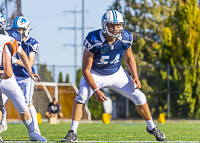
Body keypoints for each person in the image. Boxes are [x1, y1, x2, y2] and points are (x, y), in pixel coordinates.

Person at [61, 10, 167, 142]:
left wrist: (136, 76)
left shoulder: (126, 37)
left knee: (140, 97)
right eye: (111, 25)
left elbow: (129, 58)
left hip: (116, 73)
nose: (115, 29)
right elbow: (85, 70)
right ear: (104, 25)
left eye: (118, 25)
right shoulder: (93, 39)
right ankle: (73, 132)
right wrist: (95, 90)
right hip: (95, 73)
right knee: (81, 96)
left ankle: (151, 127)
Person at [0, 23, 46, 141]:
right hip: (5, 74)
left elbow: (20, 55)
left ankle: (33, 132)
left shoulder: (8, 41)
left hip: (6, 77)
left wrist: (29, 71)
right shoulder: (8, 39)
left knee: (23, 105)